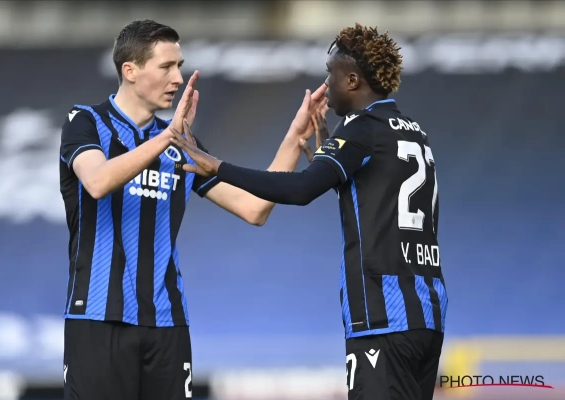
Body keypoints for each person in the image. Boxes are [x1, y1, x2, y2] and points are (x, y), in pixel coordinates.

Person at [171, 24, 448, 400]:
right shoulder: (412, 132)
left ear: (352, 80)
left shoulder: (361, 129)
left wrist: (216, 165)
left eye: (331, 74)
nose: (326, 85)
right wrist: (328, 150)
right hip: (427, 312)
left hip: (383, 315)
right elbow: (375, 196)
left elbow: (301, 189)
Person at [59, 19, 325, 400]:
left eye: (179, 66)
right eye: (166, 66)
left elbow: (254, 208)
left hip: (167, 324)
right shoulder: (86, 122)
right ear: (130, 71)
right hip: (97, 321)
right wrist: (169, 137)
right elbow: (98, 181)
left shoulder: (181, 144)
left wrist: (294, 138)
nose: (178, 78)